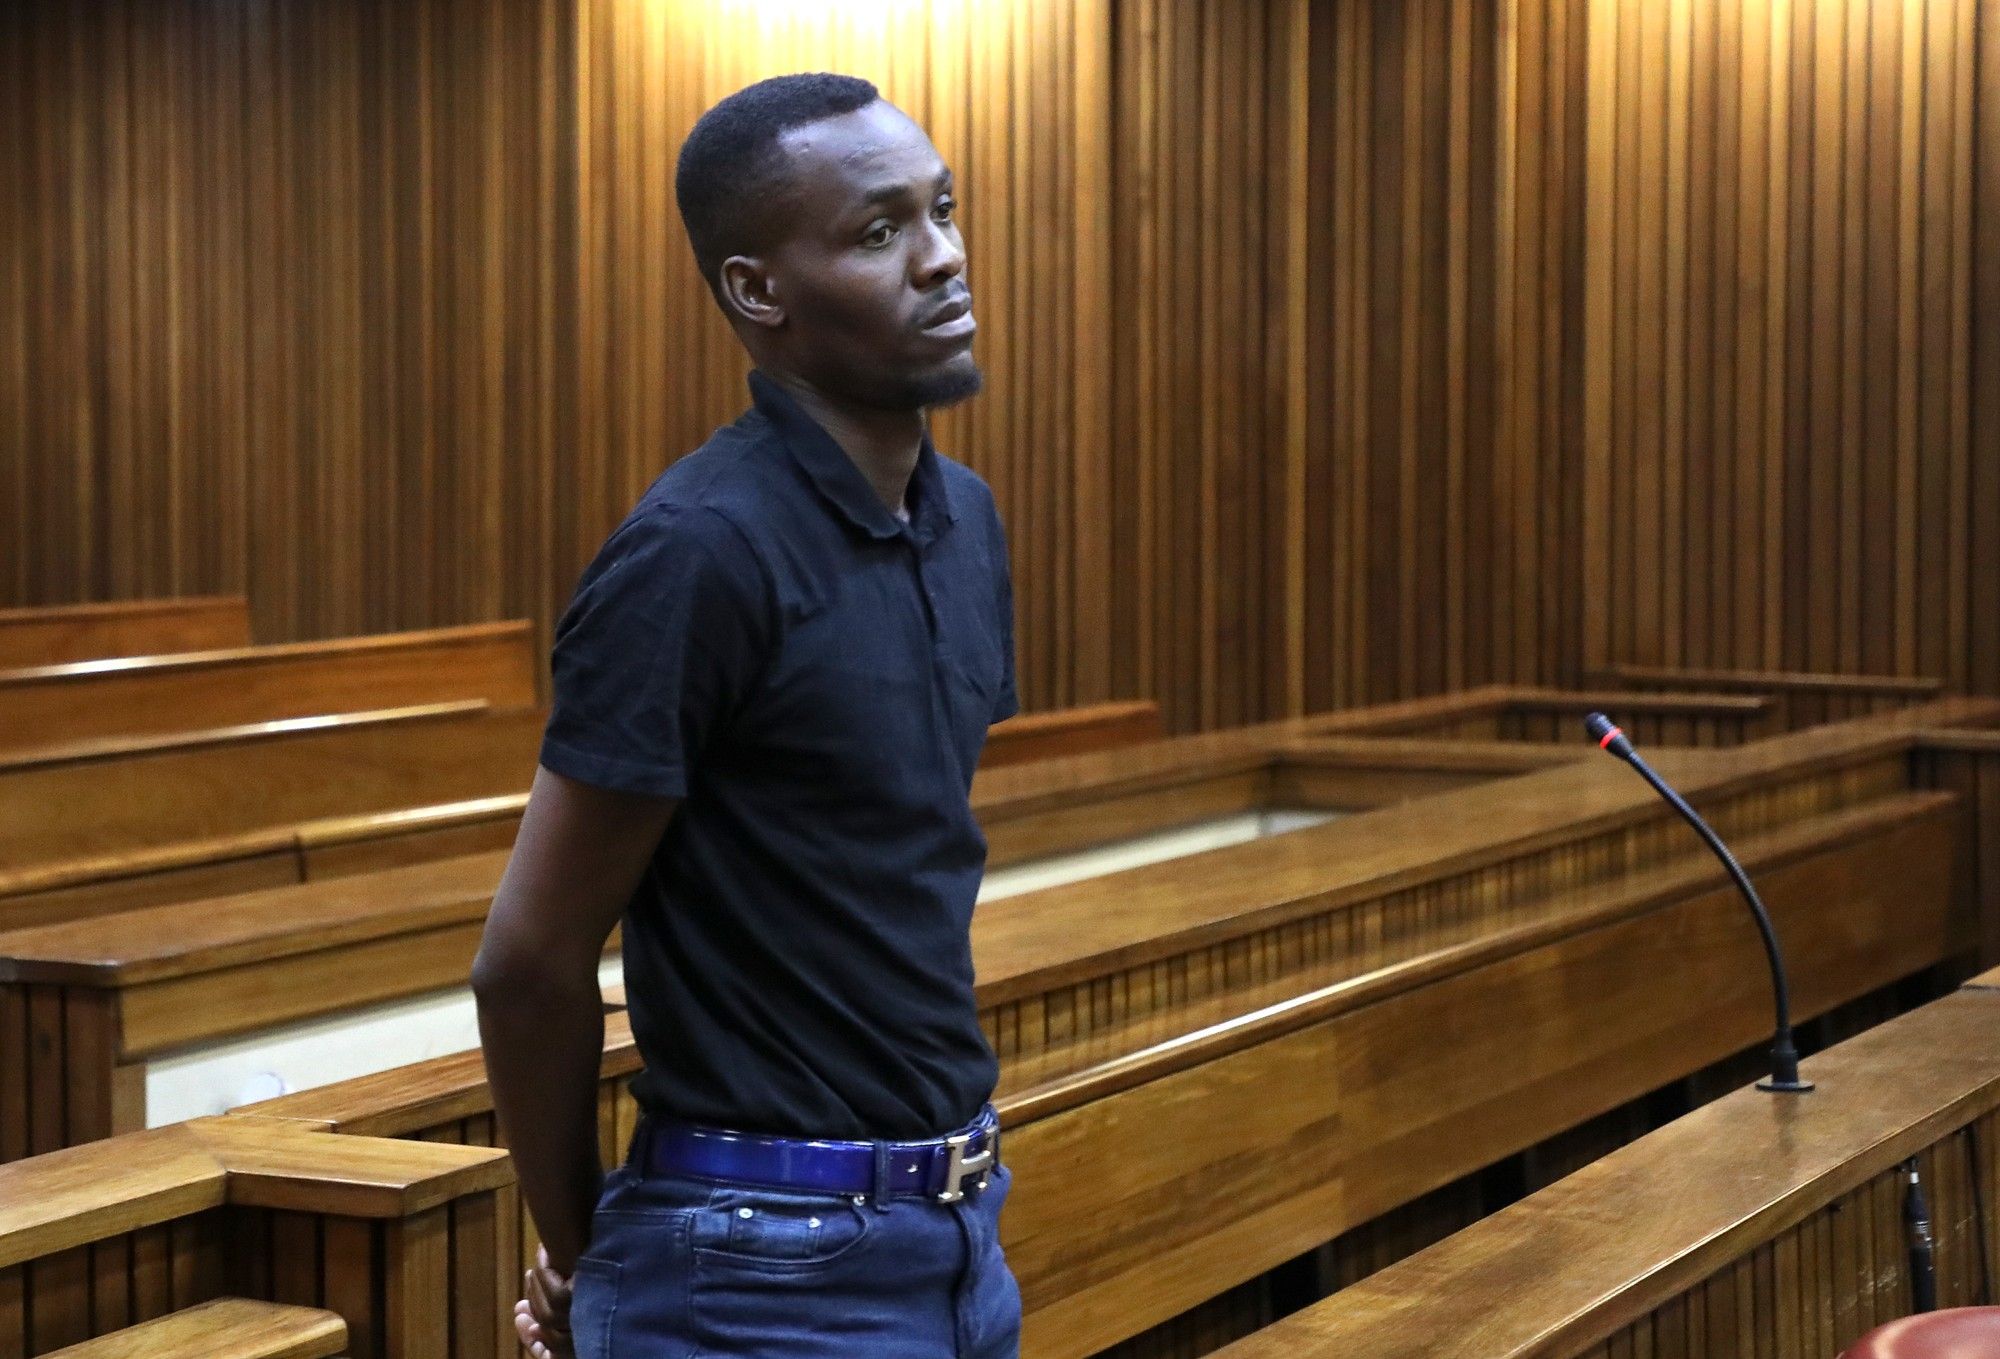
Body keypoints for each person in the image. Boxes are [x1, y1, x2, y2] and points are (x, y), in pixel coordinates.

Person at [471, 72, 1021, 1359]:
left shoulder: (965, 520)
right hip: (756, 1269)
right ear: (757, 289)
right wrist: (583, 1252)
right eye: (878, 232)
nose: (941, 258)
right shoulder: (697, 553)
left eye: (941, 210)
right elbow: (529, 961)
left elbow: (883, 874)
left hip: (956, 1234)